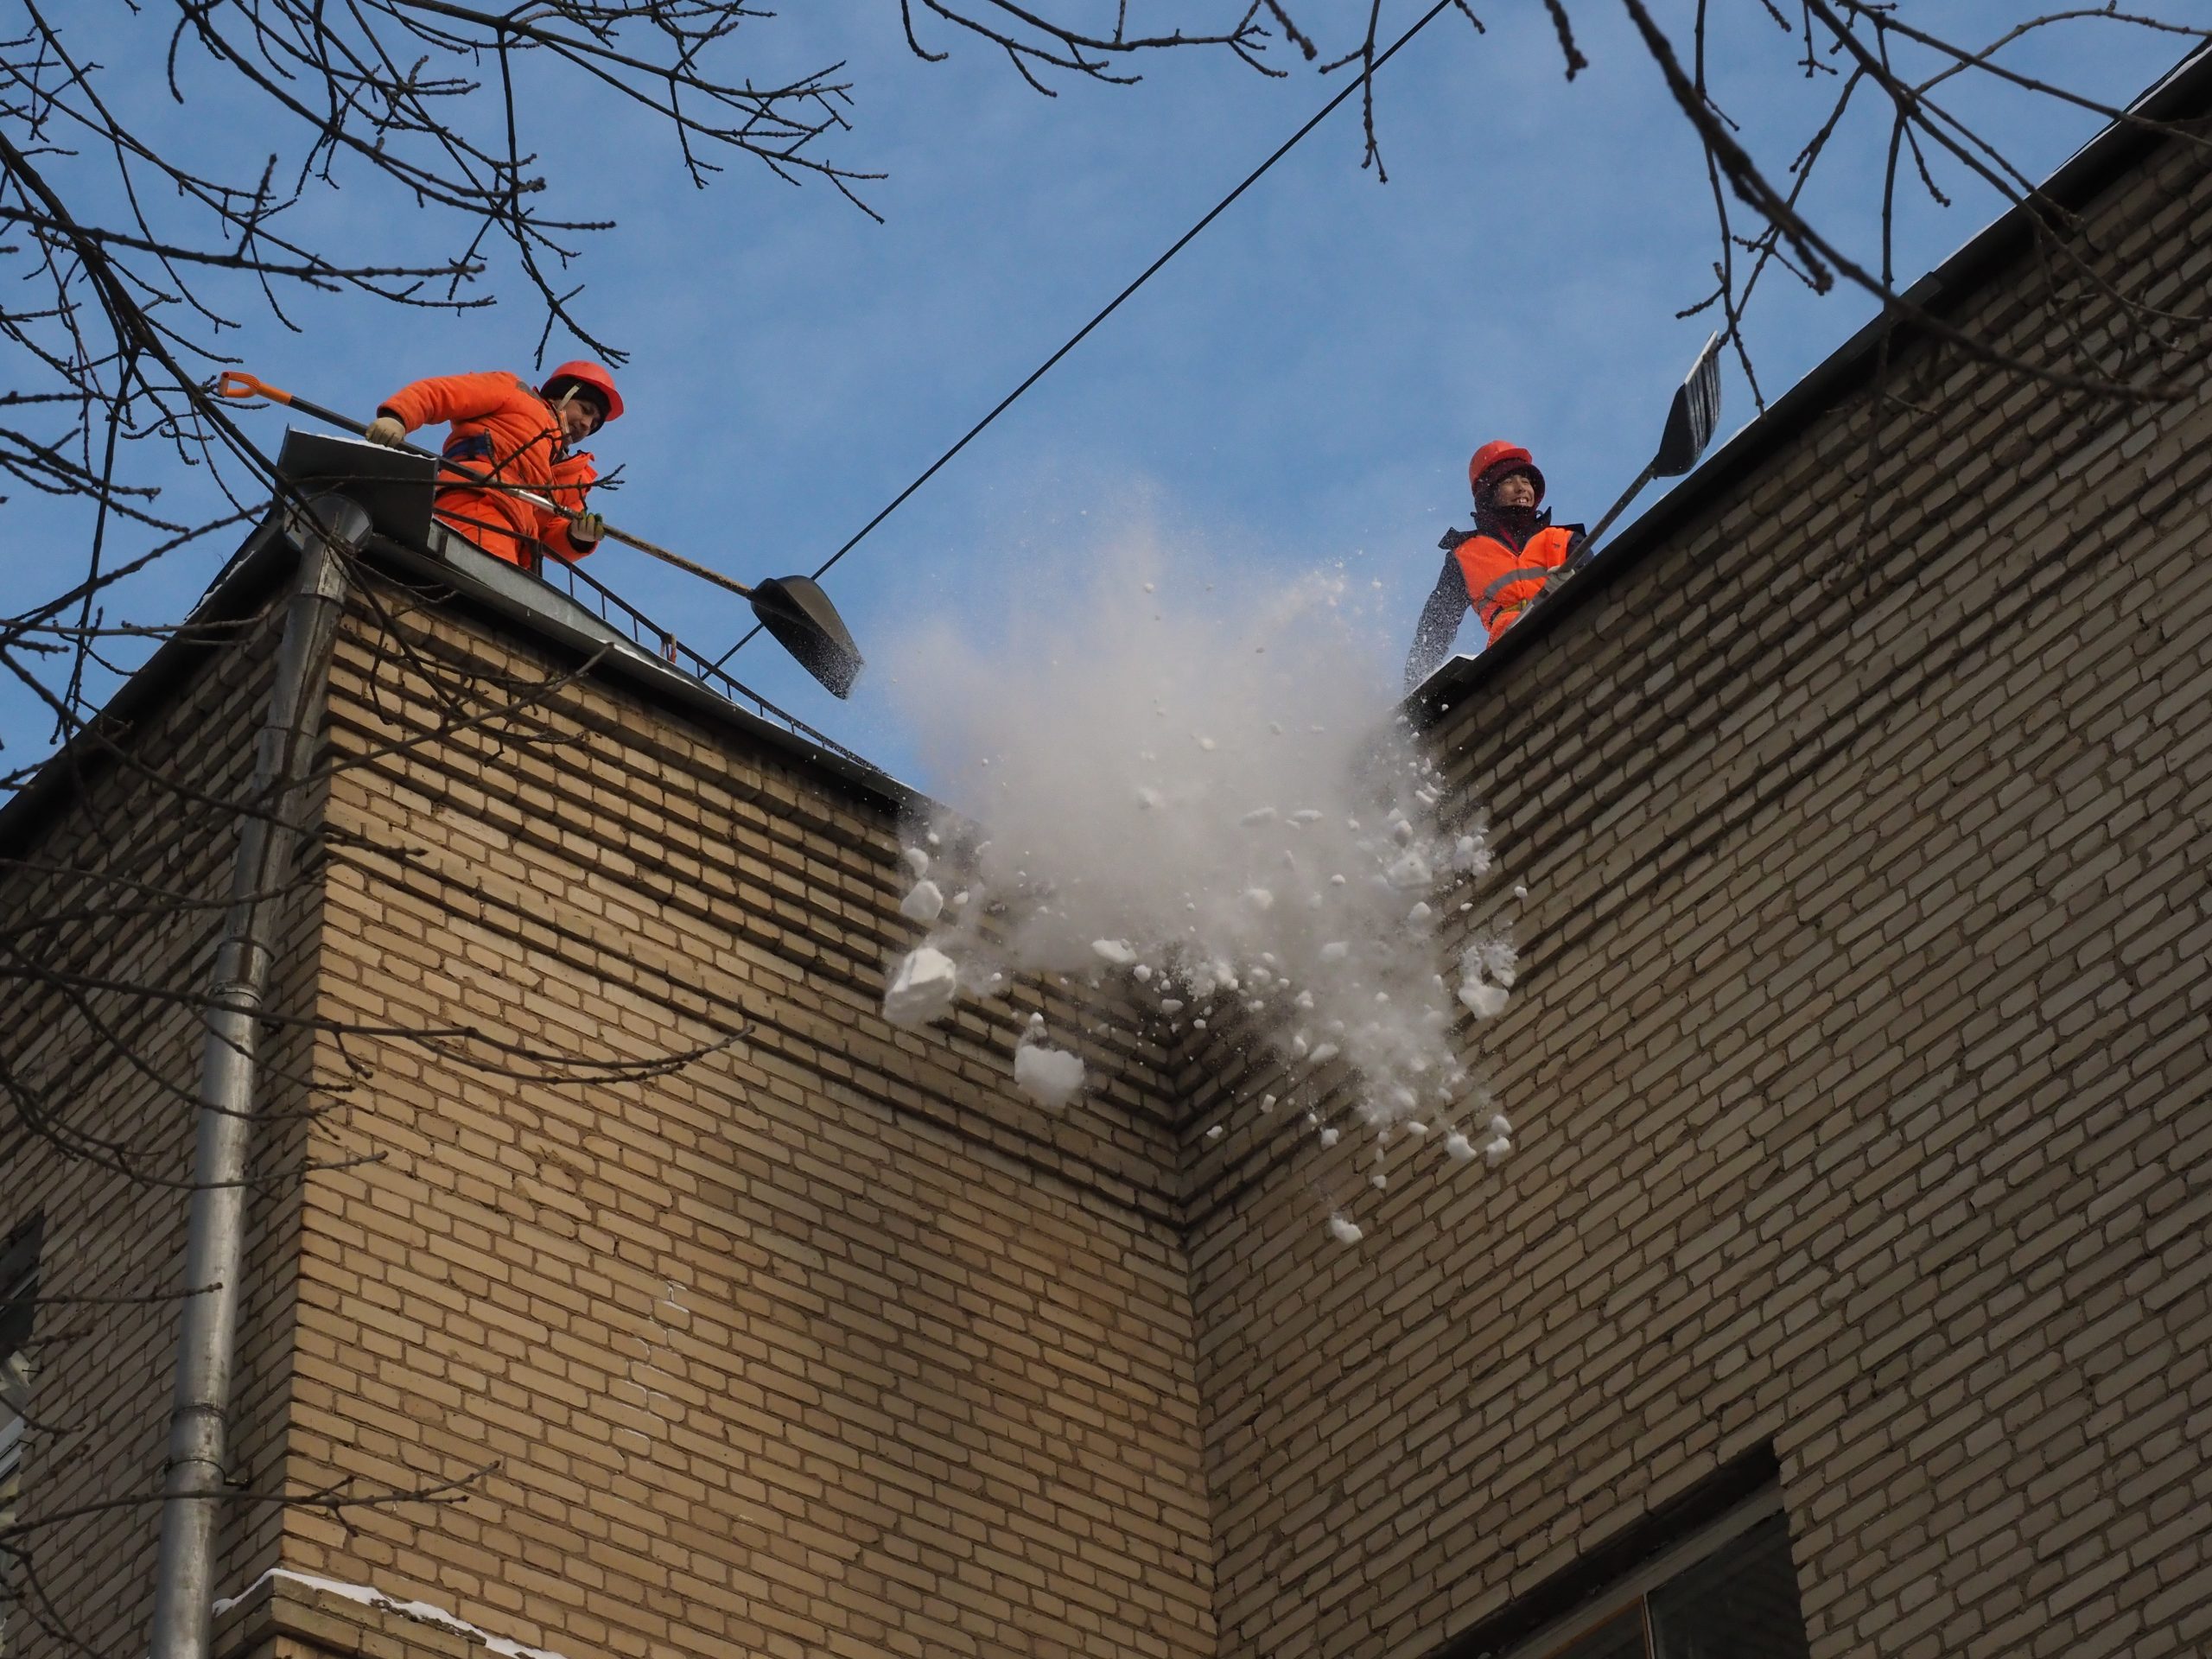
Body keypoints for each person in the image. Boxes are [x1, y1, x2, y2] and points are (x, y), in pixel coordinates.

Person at [365, 361, 623, 570]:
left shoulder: (571, 473)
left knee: (505, 599)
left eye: (596, 423)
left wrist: (576, 537)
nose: (588, 425)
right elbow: (443, 393)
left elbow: (551, 531)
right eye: (586, 409)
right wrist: (398, 417)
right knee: (489, 588)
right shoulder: (514, 393)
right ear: (564, 395)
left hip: (521, 544)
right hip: (478, 502)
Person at [1403, 441, 1584, 690]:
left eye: (1527, 481)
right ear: (1489, 493)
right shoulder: (1465, 556)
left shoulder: (1564, 540)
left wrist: (1577, 582)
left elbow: (1609, 585)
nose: (1522, 489)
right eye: (1509, 481)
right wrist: (1413, 691)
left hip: (1572, 637)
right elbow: (1435, 628)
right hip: (1510, 661)